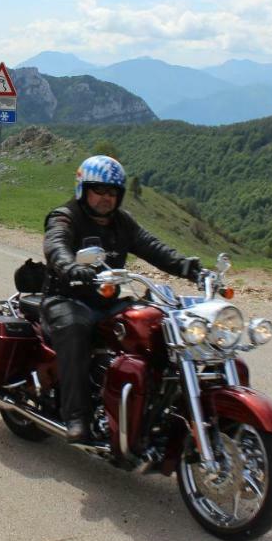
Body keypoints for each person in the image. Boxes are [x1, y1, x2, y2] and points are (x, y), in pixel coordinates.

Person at [42, 155, 202, 443]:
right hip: (66, 298)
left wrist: (188, 267)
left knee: (154, 324)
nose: (106, 198)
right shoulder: (65, 216)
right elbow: (56, 244)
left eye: (112, 192)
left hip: (107, 300)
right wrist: (70, 266)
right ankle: (76, 415)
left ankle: (152, 404)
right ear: (83, 189)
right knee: (76, 330)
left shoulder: (122, 222)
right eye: (99, 190)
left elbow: (152, 247)